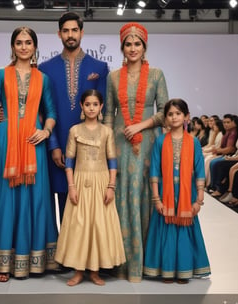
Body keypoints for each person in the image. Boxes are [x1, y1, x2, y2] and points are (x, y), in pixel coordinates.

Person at [0, 27, 58, 282]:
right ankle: (3, 262)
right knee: (5, 199)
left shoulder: (43, 79)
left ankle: (31, 260)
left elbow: (51, 111)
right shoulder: (1, 75)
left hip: (34, 143)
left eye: (28, 42)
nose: (23, 47)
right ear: (12, 47)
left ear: (34, 47)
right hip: (6, 142)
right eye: (18, 43)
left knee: (35, 200)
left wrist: (46, 131)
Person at [103, 22, 169, 282]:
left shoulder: (156, 74)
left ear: (144, 47)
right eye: (128, 44)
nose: (133, 49)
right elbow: (109, 113)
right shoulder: (112, 77)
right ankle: (121, 263)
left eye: (137, 44)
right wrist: (107, 146)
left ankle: (147, 264)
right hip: (119, 143)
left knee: (145, 196)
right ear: (122, 47)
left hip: (148, 143)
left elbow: (164, 111)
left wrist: (140, 124)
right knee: (121, 198)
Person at [39, 12, 109, 224]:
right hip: (57, 145)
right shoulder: (45, 69)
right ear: (59, 34)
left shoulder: (99, 68)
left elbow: (102, 114)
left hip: (89, 149)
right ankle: (61, 252)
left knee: (88, 201)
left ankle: (83, 254)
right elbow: (44, 111)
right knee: (61, 196)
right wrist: (53, 146)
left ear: (82, 32)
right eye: (66, 31)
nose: (70, 35)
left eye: (74, 30)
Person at [55, 89, 126, 286]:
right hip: (79, 182)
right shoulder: (75, 131)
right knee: (79, 225)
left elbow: (112, 160)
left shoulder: (107, 132)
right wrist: (71, 186)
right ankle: (78, 271)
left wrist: (111, 186)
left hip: (102, 182)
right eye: (87, 104)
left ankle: (95, 271)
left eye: (95, 104)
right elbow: (69, 161)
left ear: (101, 106)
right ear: (81, 106)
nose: (91, 108)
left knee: (98, 225)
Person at [143, 98, 211, 284]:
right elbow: (154, 170)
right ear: (165, 118)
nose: (174, 117)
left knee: (183, 232)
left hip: (186, 196)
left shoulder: (194, 142)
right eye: (170, 114)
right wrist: (157, 199)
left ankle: (184, 271)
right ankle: (166, 271)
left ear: (186, 116)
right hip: (165, 195)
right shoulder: (160, 141)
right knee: (165, 230)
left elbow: (199, 171)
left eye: (178, 114)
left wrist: (199, 200)